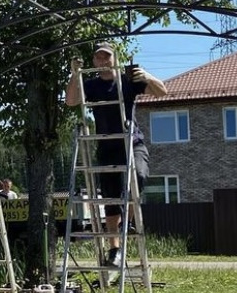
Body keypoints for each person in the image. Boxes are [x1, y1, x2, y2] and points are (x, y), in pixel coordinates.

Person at [66, 43, 167, 266]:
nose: (103, 61)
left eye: (107, 57)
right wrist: (75, 74)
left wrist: (147, 76)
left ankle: (126, 222)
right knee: (110, 199)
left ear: (114, 59)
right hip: (107, 146)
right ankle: (114, 250)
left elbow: (162, 91)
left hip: (132, 142)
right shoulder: (91, 85)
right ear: (94, 61)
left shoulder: (127, 80)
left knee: (138, 175)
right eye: (99, 57)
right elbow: (71, 100)